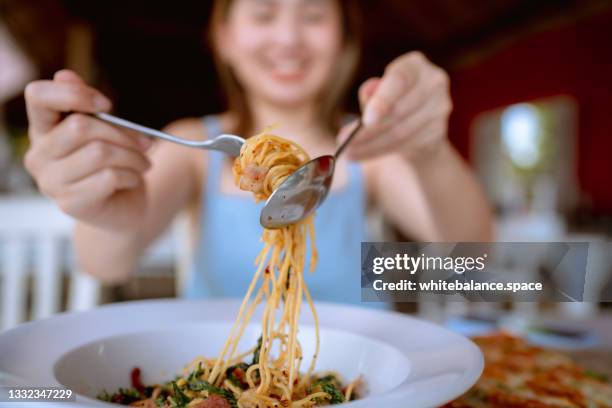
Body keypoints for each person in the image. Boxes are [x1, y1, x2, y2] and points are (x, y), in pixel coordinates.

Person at [23, 0, 493, 305]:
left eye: (313, 15)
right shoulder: (193, 147)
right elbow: (105, 263)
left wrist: (428, 150)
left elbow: (475, 264)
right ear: (224, 36)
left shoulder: (371, 147)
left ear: (344, 39)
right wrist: (108, 215)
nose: (288, 39)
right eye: (264, 13)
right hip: (220, 381)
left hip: (360, 384)